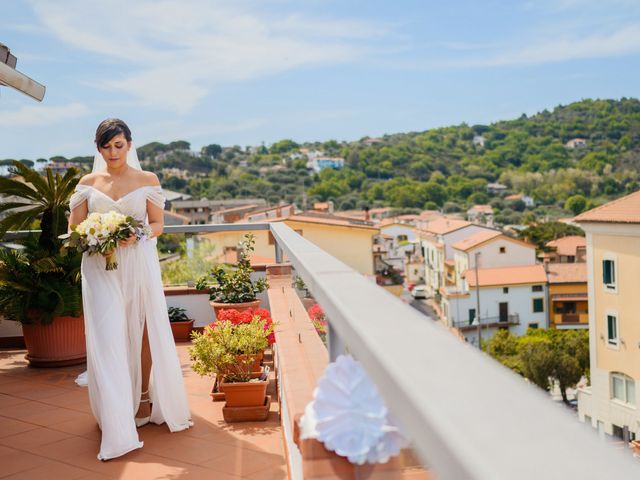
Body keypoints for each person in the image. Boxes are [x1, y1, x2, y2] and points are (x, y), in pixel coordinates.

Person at [69, 118, 193, 461]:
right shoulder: (87, 183)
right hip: (99, 269)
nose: (113, 152)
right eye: (106, 147)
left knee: (142, 331)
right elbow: (74, 229)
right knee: (107, 336)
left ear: (129, 144)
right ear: (98, 149)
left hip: (138, 265)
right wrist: (96, 237)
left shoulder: (147, 181)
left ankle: (141, 397)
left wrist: (134, 235)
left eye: (118, 145)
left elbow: (157, 224)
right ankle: (114, 415)